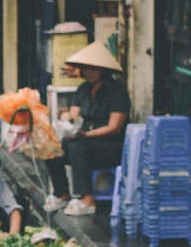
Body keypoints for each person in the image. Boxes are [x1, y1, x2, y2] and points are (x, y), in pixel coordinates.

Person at [43, 42, 130, 216]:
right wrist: (67, 120)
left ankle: (87, 199)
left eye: (93, 69)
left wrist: (87, 134)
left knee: (78, 146)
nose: (89, 72)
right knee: (52, 148)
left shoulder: (117, 92)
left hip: (110, 146)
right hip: (84, 141)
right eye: (86, 68)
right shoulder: (83, 89)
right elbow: (74, 114)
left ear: (104, 70)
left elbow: (114, 127)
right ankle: (62, 193)